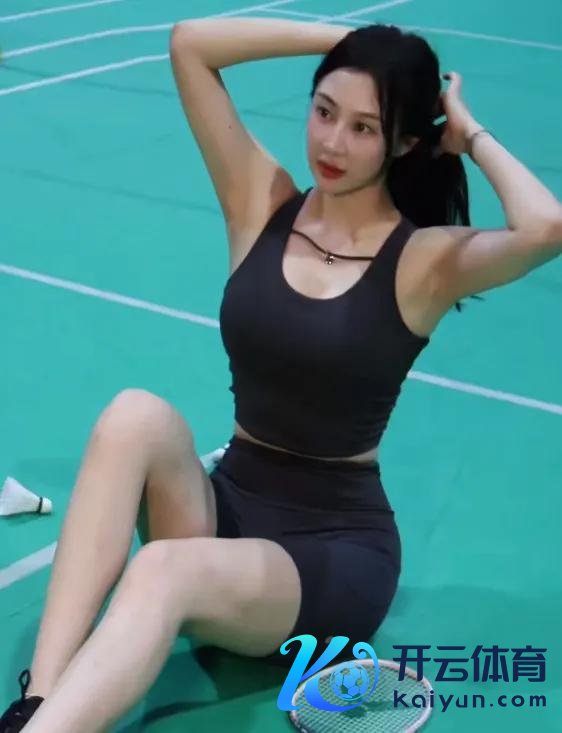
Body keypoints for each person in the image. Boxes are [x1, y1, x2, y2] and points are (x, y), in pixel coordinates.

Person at [1, 17, 561, 733]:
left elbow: (546, 228)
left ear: (404, 142)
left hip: (330, 553)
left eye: (364, 127)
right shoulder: (261, 204)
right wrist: (345, 40)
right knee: (133, 414)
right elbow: (190, 46)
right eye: (324, 111)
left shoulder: (422, 261)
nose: (332, 142)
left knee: (162, 569)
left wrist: (468, 131)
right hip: (230, 509)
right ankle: (38, 700)